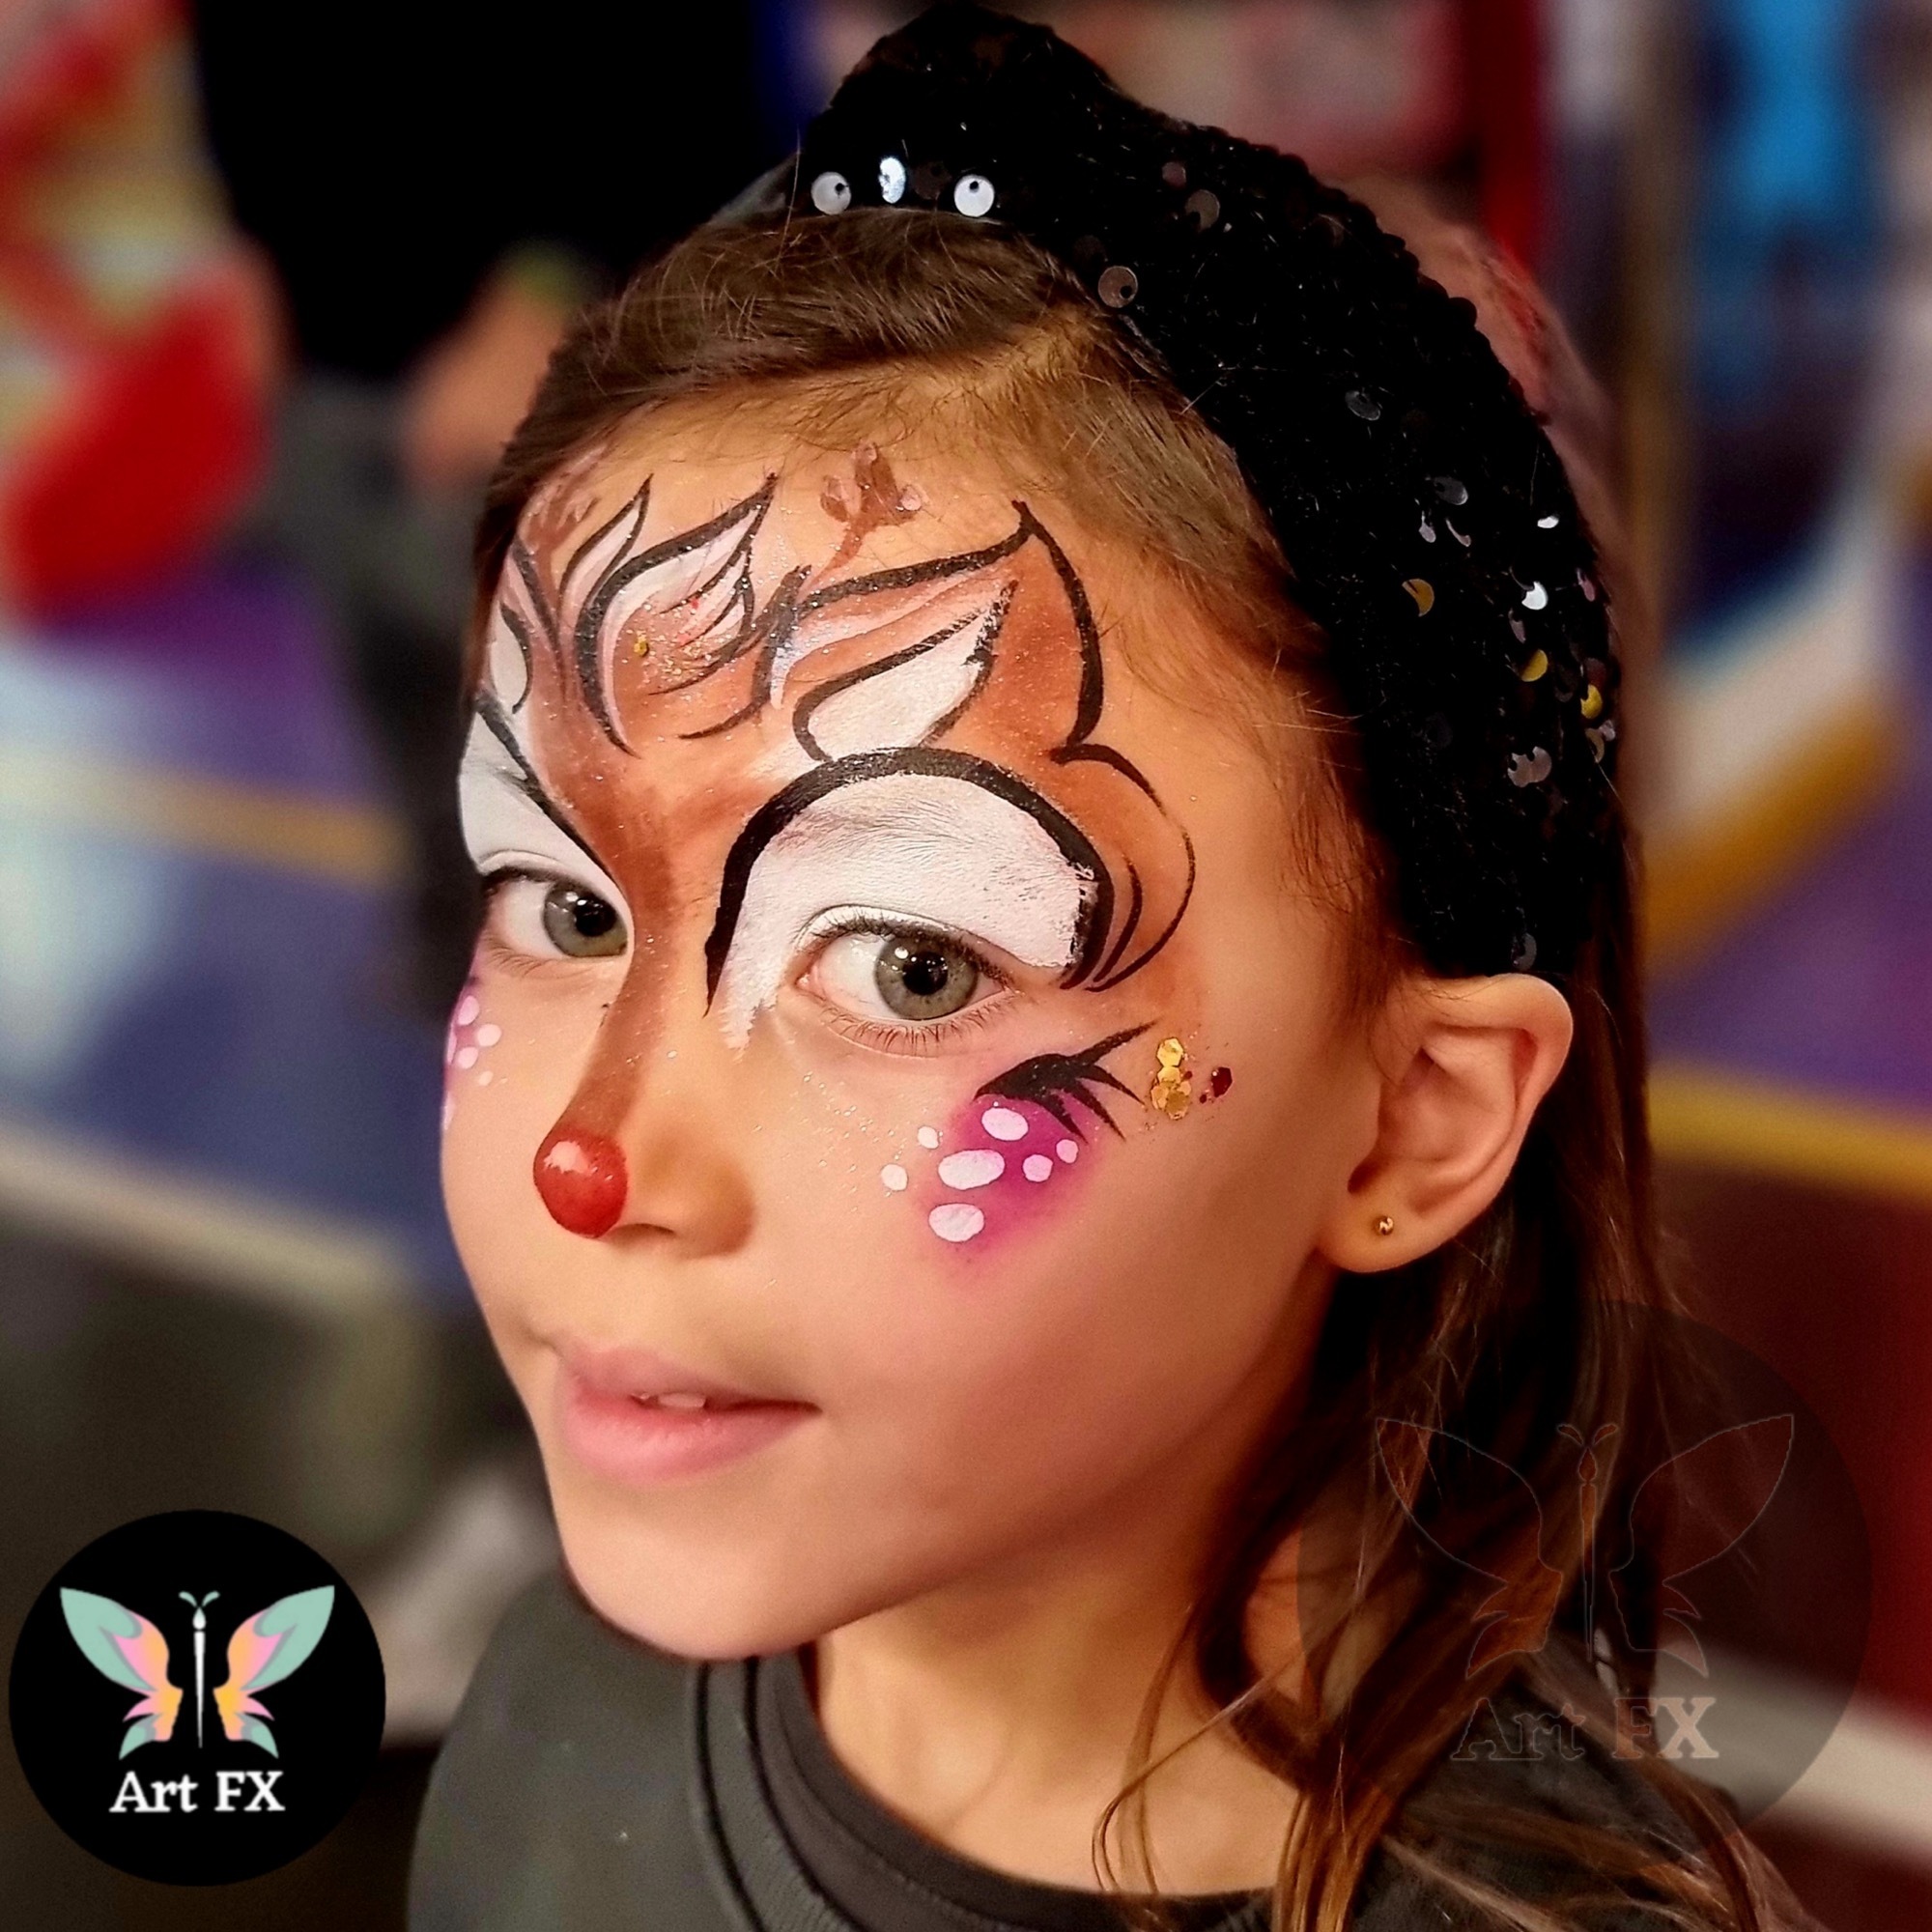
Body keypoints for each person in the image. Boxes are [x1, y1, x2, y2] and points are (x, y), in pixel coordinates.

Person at [410, 8, 1814, 1927]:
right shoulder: (554, 1700)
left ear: (1409, 1120)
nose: (597, 1155)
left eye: (910, 962)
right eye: (567, 907)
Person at [189, 0, 779, 1008]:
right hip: (329, 356)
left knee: (592, 716)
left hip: (549, 346)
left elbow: (677, 81)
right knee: (403, 687)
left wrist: (550, 289)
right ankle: (461, 958)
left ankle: (663, 1004)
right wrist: (248, 246)